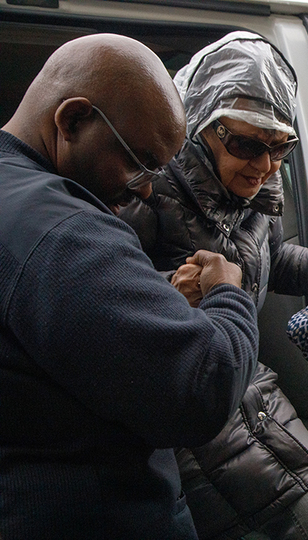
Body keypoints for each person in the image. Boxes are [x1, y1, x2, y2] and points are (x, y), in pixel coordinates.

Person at [120, 31, 308, 540]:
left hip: (246, 381)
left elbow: (273, 258)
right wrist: (168, 293)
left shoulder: (252, 199)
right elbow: (98, 294)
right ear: (198, 126)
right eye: (246, 144)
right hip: (189, 400)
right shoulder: (144, 192)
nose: (265, 166)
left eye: (280, 146)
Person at [0, 34, 260, 539]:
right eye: (140, 160)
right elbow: (203, 385)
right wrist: (229, 294)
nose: (146, 188)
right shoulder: (63, 228)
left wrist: (155, 294)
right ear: (72, 120)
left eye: (160, 169)